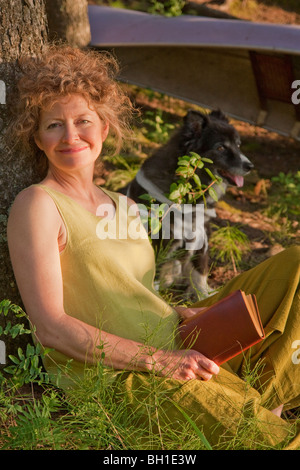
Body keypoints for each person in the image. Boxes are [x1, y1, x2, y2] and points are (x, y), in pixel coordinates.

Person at [6, 45, 300, 449]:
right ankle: (255, 407)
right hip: (121, 374)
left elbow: (134, 291)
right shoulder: (38, 205)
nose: (71, 136)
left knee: (297, 266)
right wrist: (159, 360)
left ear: (104, 129)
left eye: (83, 121)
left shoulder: (125, 204)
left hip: (182, 341)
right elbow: (51, 327)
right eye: (54, 125)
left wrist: (182, 311)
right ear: (37, 138)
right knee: (267, 440)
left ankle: (267, 393)